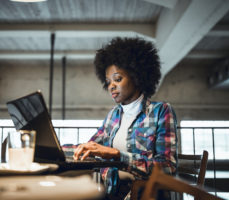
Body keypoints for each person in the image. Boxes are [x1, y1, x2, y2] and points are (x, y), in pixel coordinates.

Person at [67, 37, 178, 200]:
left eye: (118, 79)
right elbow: (90, 148)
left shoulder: (161, 111)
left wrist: (118, 156)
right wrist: (53, 149)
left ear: (137, 76)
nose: (111, 86)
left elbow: (167, 168)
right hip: (113, 192)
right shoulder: (113, 115)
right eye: (108, 82)